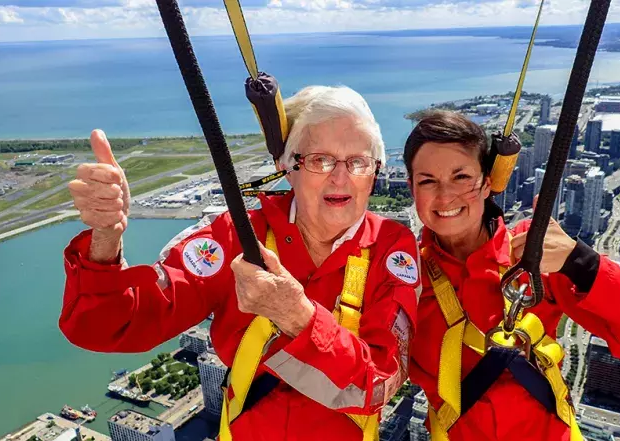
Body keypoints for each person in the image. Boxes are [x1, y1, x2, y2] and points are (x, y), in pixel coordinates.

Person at [59, 85, 419, 441]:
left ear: (375, 172)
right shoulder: (236, 239)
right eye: (319, 160)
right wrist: (106, 237)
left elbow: (379, 386)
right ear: (286, 167)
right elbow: (103, 326)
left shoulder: (391, 250)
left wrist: (298, 318)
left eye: (358, 162)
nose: (340, 177)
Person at [404, 110, 620, 441]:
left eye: (462, 177)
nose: (445, 195)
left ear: (489, 182)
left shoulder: (534, 254)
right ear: (411, 188)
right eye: (427, 180)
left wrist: (581, 263)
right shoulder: (403, 276)